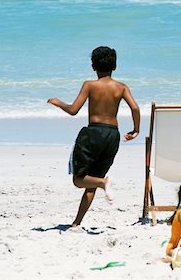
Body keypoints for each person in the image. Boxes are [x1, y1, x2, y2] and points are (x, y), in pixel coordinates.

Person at [47, 46, 140, 229]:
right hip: (112, 135)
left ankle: (104, 182)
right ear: (115, 66)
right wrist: (136, 129)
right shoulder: (121, 87)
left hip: (93, 133)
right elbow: (135, 108)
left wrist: (58, 103)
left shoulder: (90, 85)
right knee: (91, 183)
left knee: (79, 179)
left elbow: (74, 110)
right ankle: (76, 224)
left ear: (93, 66)